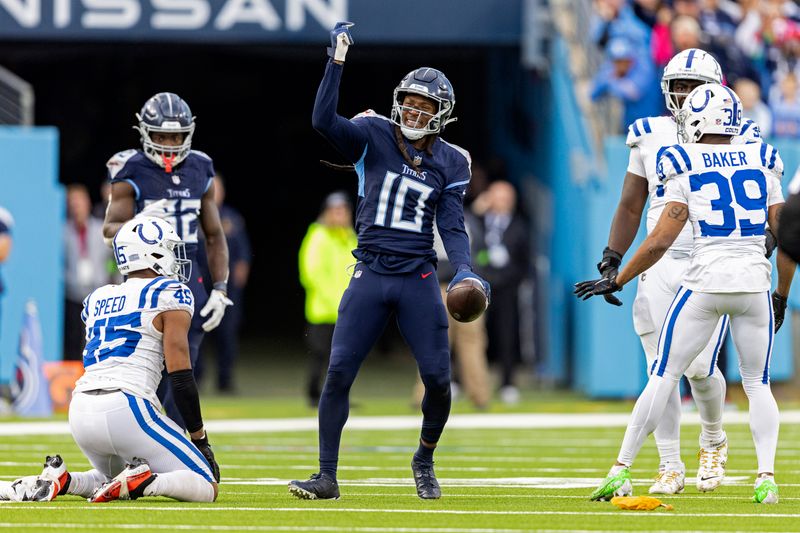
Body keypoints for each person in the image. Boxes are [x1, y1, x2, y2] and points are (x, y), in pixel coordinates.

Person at [288, 22, 489, 501]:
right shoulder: (373, 133)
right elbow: (322, 122)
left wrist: (464, 268)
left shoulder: (453, 162)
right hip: (371, 272)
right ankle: (327, 475)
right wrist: (335, 62)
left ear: (442, 114)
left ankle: (424, 458)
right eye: (411, 102)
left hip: (418, 274)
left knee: (439, 380)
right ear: (399, 101)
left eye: (426, 106)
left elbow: (452, 224)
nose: (416, 111)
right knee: (337, 374)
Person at [578, 83, 794, 505]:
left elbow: (659, 240)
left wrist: (617, 277)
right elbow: (785, 236)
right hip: (754, 283)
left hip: (704, 282)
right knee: (757, 383)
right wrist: (781, 295)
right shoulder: (764, 157)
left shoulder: (681, 160)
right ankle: (766, 477)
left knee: (663, 374)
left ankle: (620, 469)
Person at [595, 48, 757, 495]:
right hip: (659, 261)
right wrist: (613, 255)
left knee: (701, 369)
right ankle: (670, 464)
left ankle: (713, 436)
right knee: (659, 368)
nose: (686, 97)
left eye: (696, 88)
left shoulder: (741, 133)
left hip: (711, 261)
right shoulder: (650, 132)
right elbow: (631, 203)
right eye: (679, 87)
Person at [0, 216, 219, 502]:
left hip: (81, 409)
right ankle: (147, 482)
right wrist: (199, 438)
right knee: (207, 484)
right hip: (128, 406)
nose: (174, 257)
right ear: (151, 252)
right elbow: (180, 377)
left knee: (110, 478)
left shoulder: (98, 297)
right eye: (168, 248)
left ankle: (63, 481)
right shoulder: (169, 294)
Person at [102, 92, 231, 429]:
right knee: (143, 365)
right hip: (145, 276)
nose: (169, 144)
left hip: (187, 275)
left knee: (183, 366)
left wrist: (220, 287)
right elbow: (108, 230)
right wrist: (137, 224)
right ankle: (137, 436)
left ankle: (169, 441)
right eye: (161, 136)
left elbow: (214, 234)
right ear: (145, 133)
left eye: (175, 135)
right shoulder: (129, 168)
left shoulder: (201, 167)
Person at [412, 211, 491, 410]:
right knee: (436, 342)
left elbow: (481, 252)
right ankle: (424, 393)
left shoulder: (465, 219)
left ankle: (479, 394)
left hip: (467, 287)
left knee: (466, 341)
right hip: (443, 286)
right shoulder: (430, 219)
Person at [472, 181, 531, 405]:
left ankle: (507, 382)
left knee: (507, 335)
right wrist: (477, 211)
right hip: (479, 284)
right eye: (499, 197)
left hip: (507, 287)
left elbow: (524, 260)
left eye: (508, 198)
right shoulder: (478, 221)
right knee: (472, 334)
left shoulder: (519, 226)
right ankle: (460, 380)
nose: (504, 202)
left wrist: (512, 276)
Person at [299, 191, 357, 408]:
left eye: (344, 211)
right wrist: (335, 300)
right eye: (336, 212)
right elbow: (311, 272)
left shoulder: (350, 237)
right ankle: (314, 395)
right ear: (327, 213)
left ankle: (339, 397)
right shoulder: (318, 235)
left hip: (346, 310)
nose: (341, 216)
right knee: (320, 355)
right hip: (323, 310)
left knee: (345, 357)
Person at [205, 174, 251, 393]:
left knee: (228, 333)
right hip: (202, 283)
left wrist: (243, 268)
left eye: (218, 188)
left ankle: (225, 380)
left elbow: (243, 250)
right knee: (197, 331)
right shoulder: (196, 216)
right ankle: (195, 378)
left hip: (227, 285)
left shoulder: (232, 217)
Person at [63, 183, 113, 361]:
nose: (76, 208)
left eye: (79, 203)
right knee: (73, 340)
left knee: (98, 338)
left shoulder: (101, 230)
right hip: (73, 294)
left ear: (88, 204)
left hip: (98, 293)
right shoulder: (63, 232)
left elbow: (112, 260)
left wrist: (112, 282)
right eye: (72, 203)